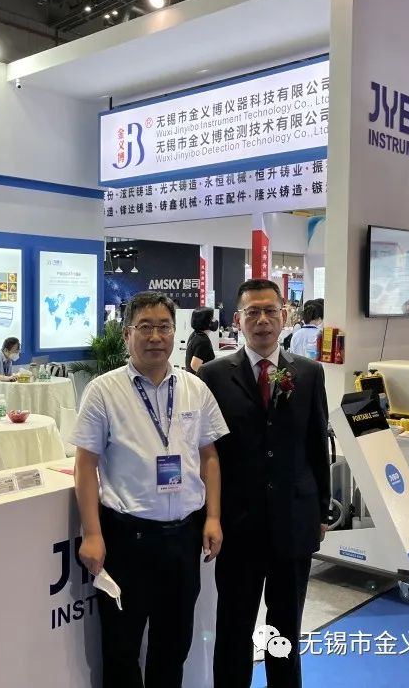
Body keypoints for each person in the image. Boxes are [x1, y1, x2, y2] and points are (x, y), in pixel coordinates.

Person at [70, 292, 227, 688]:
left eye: (164, 327)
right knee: (121, 650)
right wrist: (92, 533)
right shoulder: (103, 391)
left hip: (184, 538)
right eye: (145, 327)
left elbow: (209, 456)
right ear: (127, 334)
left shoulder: (195, 388)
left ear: (175, 332)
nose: (155, 336)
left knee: (173, 648)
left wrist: (213, 517)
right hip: (127, 540)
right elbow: (85, 465)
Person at [198, 279, 330, 688]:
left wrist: (321, 511)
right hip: (239, 524)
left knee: (286, 627)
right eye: (252, 312)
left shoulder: (308, 373)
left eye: (270, 311)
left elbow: (317, 446)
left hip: (294, 519)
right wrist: (210, 516)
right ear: (238, 319)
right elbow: (207, 453)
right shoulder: (214, 375)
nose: (262, 320)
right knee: (234, 626)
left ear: (284, 316)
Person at [185, 307, 217, 373]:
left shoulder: (195, 334)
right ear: (206, 322)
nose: (214, 320)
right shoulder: (203, 341)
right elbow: (194, 366)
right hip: (198, 378)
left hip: (191, 376)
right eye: (212, 318)